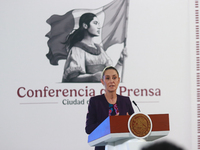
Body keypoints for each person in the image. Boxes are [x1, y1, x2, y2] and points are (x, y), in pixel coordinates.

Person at [62, 13, 127, 82]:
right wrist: (92, 77)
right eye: (95, 23)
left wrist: (120, 61)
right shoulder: (77, 49)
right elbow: (73, 79)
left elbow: (111, 75)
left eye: (98, 24)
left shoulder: (99, 49)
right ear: (85, 25)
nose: (99, 27)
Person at [85, 66, 134, 150]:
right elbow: (89, 129)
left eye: (114, 78)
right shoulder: (95, 101)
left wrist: (128, 121)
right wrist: (108, 123)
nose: (111, 81)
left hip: (123, 146)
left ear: (118, 80)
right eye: (107, 78)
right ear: (102, 81)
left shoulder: (125, 101)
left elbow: (135, 126)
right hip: (103, 147)